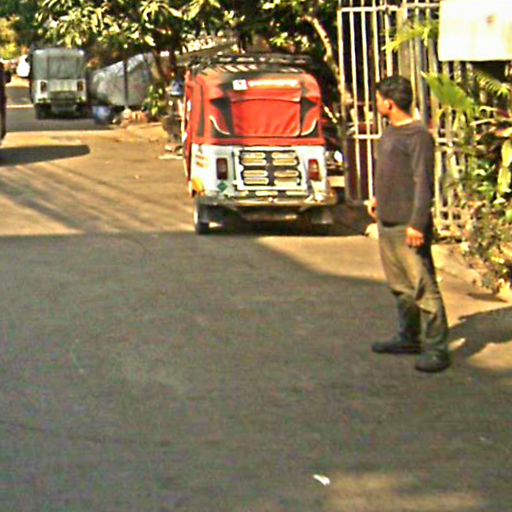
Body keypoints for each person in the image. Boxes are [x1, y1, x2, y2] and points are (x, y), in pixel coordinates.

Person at [367, 75, 451, 373]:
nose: (376, 103)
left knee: (423, 287)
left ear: (389, 103)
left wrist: (417, 223)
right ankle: (409, 336)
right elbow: (392, 173)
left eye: (379, 99)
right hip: (388, 221)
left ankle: (437, 348)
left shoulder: (418, 137)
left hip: (408, 225)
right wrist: (379, 198)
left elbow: (423, 183)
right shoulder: (391, 133)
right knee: (400, 286)